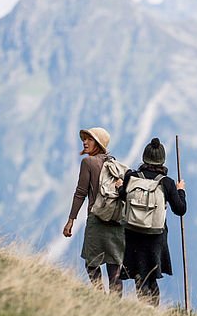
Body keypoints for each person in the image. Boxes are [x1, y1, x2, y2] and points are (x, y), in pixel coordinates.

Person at [117, 137, 186, 306]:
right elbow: (180, 209)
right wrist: (180, 191)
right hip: (155, 236)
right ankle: (152, 309)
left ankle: (144, 308)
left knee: (139, 274)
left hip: (133, 232)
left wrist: (120, 186)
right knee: (151, 275)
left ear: (144, 157)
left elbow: (123, 196)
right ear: (162, 160)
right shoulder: (167, 183)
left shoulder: (132, 177)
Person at [63, 127, 124, 296]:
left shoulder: (88, 163)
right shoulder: (113, 163)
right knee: (114, 264)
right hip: (117, 222)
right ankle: (116, 305)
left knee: (91, 262)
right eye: (85, 139)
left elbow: (81, 192)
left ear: (98, 144)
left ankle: (99, 296)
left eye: (90, 139)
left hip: (97, 219)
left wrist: (71, 220)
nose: (85, 142)